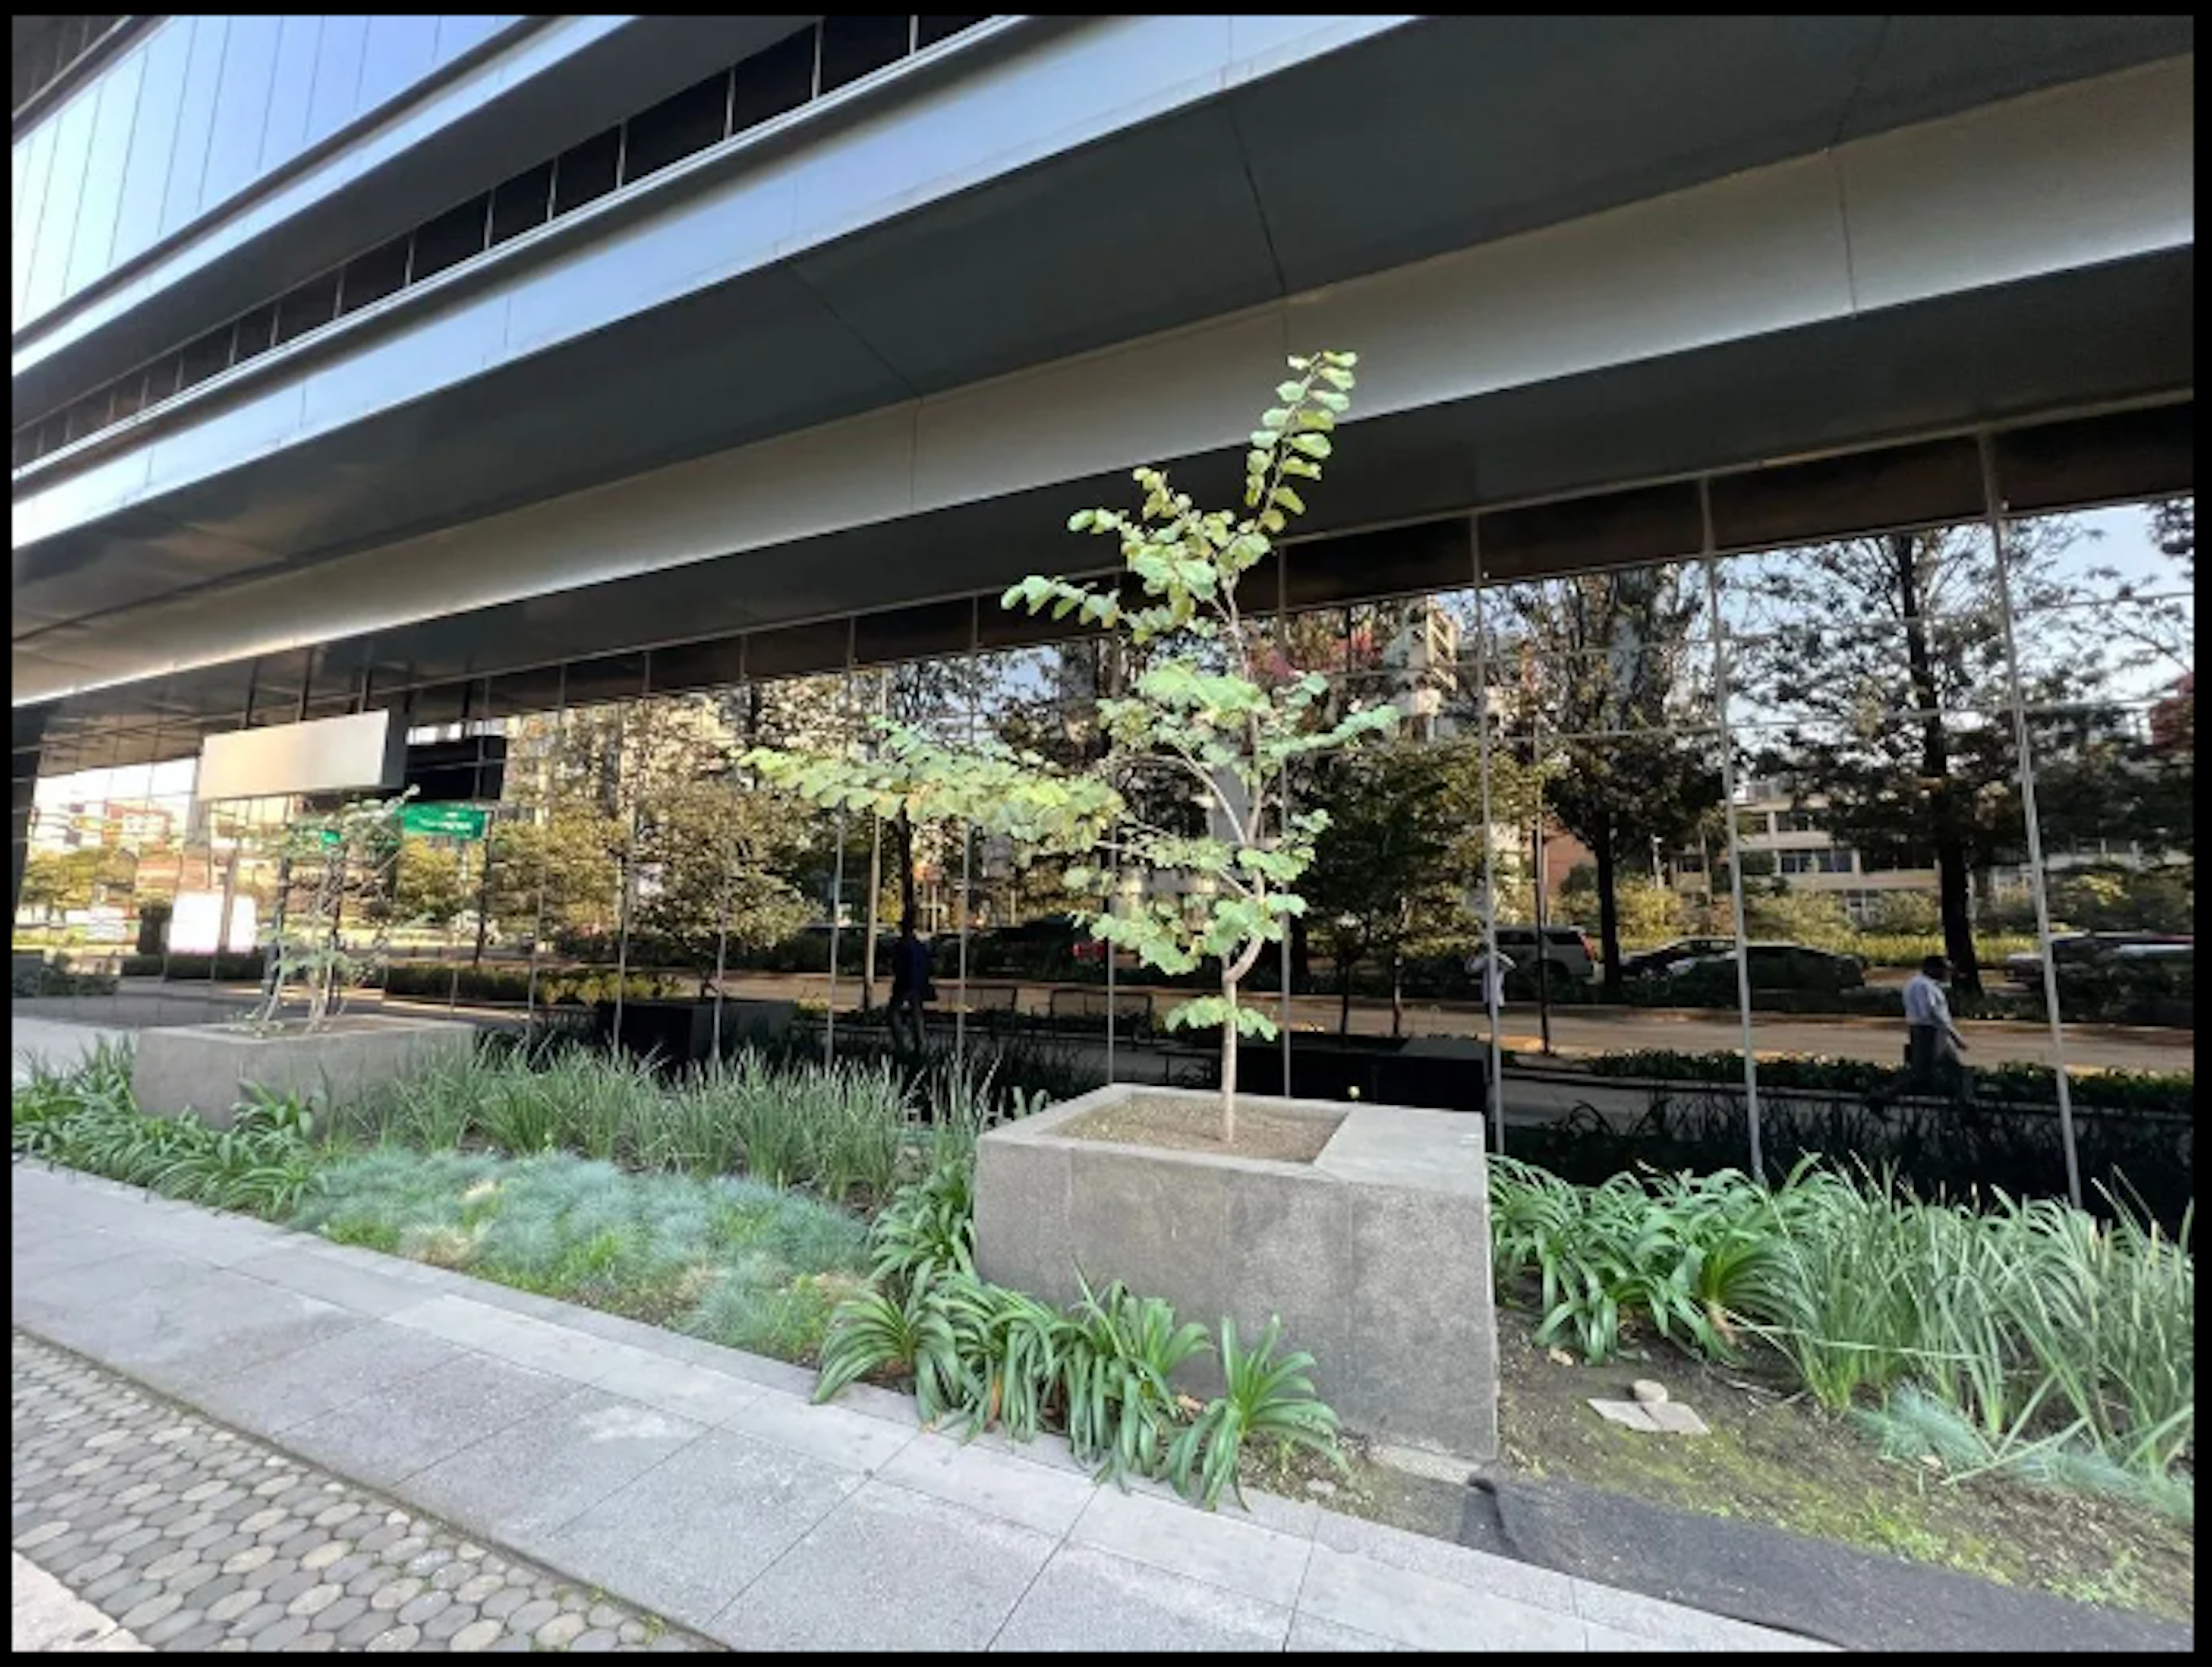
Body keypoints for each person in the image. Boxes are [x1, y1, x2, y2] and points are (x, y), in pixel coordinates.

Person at [1880, 953, 1971, 1106]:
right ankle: (1882, 1098)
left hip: (1929, 1031)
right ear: (1932, 969)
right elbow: (1931, 1013)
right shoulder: (1924, 986)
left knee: (1956, 1071)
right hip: (1929, 1032)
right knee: (1922, 1074)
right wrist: (1954, 1035)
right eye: (1946, 969)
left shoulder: (1916, 983)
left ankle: (1966, 1107)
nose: (1948, 974)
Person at [887, 912, 934, 1055]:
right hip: (917, 984)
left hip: (905, 984)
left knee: (893, 1013)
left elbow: (897, 966)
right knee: (916, 1013)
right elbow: (927, 966)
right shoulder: (920, 947)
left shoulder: (902, 946)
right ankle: (920, 1046)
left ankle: (902, 1046)